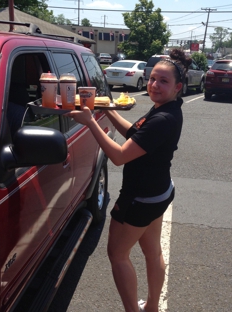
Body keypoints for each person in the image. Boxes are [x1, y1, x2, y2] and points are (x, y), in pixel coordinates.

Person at [68, 48, 192, 312]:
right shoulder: (167, 109)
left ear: (178, 86)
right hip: (159, 192)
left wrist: (90, 122)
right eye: (152, 78)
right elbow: (135, 133)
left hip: (141, 198)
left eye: (163, 81)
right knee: (152, 252)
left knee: (117, 254)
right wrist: (107, 108)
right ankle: (152, 307)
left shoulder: (163, 118)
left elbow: (119, 156)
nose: (154, 85)